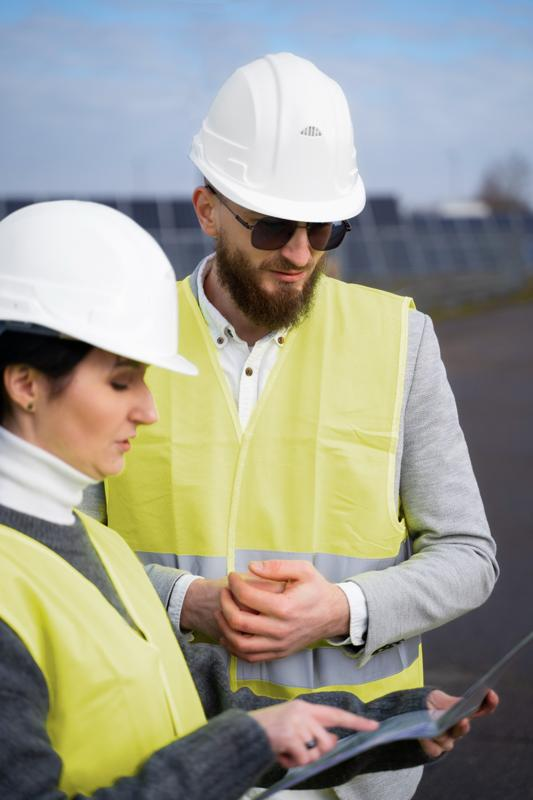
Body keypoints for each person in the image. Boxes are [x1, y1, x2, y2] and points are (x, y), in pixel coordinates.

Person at [0, 199, 500, 800]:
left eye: (322, 230)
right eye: (120, 381)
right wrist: (244, 743)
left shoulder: (96, 549)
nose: (150, 409)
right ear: (26, 384)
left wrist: (392, 723)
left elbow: (197, 691)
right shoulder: (31, 565)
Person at [100, 53, 499, 800]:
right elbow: (54, 553)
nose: (298, 254)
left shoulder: (399, 340)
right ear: (205, 209)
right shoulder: (125, 340)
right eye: (276, 226)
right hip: (175, 759)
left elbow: (469, 555)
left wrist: (344, 611)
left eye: (323, 231)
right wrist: (185, 601)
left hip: (354, 775)